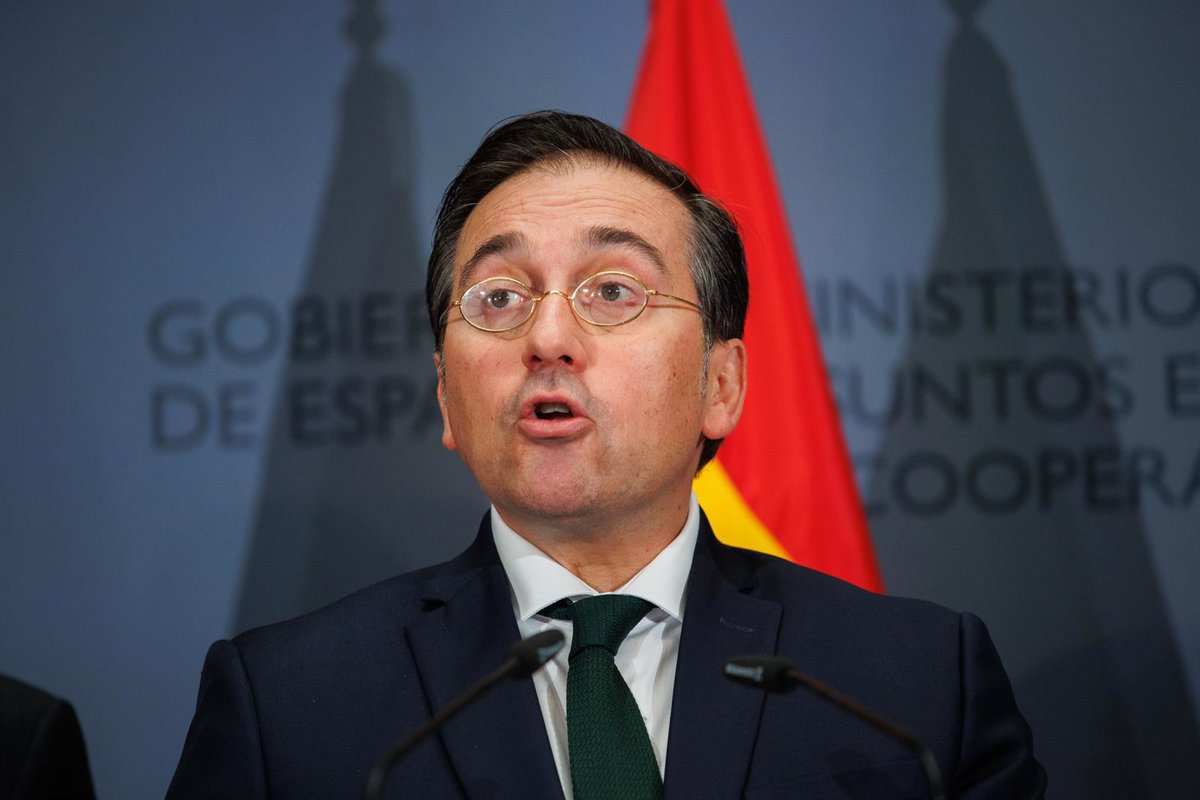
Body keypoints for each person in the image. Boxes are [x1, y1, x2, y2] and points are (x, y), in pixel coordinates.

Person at [167, 111, 1045, 799]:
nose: (548, 336)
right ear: (445, 395)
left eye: (614, 290)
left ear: (721, 384)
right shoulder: (288, 705)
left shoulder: (913, 685)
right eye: (499, 297)